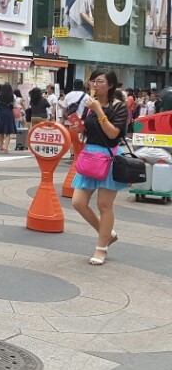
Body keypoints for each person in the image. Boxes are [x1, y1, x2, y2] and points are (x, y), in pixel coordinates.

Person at [71, 70, 127, 266]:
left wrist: (99, 111)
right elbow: (91, 130)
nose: (94, 84)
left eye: (100, 81)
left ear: (110, 85)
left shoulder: (119, 107)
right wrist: (81, 128)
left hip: (109, 157)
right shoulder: (89, 106)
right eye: (93, 80)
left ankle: (101, 248)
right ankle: (107, 233)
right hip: (90, 156)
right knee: (78, 202)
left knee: (104, 205)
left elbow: (112, 134)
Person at [0, 83, 16, 152]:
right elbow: (14, 105)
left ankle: (0, 146)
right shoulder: (13, 96)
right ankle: (6, 147)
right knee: (8, 131)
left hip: (1, 114)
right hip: (9, 113)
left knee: (0, 129)